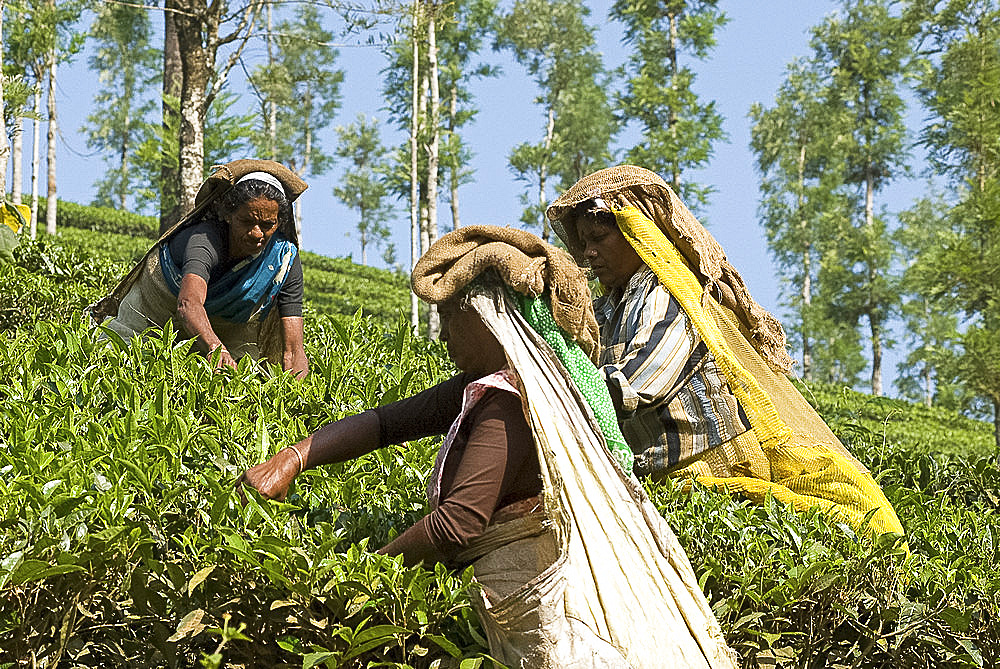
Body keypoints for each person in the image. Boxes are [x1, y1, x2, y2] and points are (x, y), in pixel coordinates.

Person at [240, 225, 738, 668]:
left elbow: (458, 523)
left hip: (548, 629)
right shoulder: (490, 385)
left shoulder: (510, 403)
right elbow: (387, 423)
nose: (445, 337)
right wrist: (295, 456)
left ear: (490, 319)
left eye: (452, 319)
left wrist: (356, 580)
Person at [546, 164, 905, 537]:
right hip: (665, 476)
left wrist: (553, 395)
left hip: (714, 468)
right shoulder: (614, 303)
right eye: (583, 242)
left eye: (599, 238)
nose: (588, 252)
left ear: (636, 228)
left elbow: (639, 382)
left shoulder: (668, 291)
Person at [88, 160, 309, 377]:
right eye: (246, 222)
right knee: (125, 365)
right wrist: (217, 350)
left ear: (279, 223)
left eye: (267, 225)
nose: (256, 233)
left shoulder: (284, 258)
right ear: (229, 215)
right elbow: (188, 304)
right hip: (157, 311)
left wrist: (295, 394)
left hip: (227, 328)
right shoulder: (204, 240)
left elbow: (293, 349)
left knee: (240, 381)